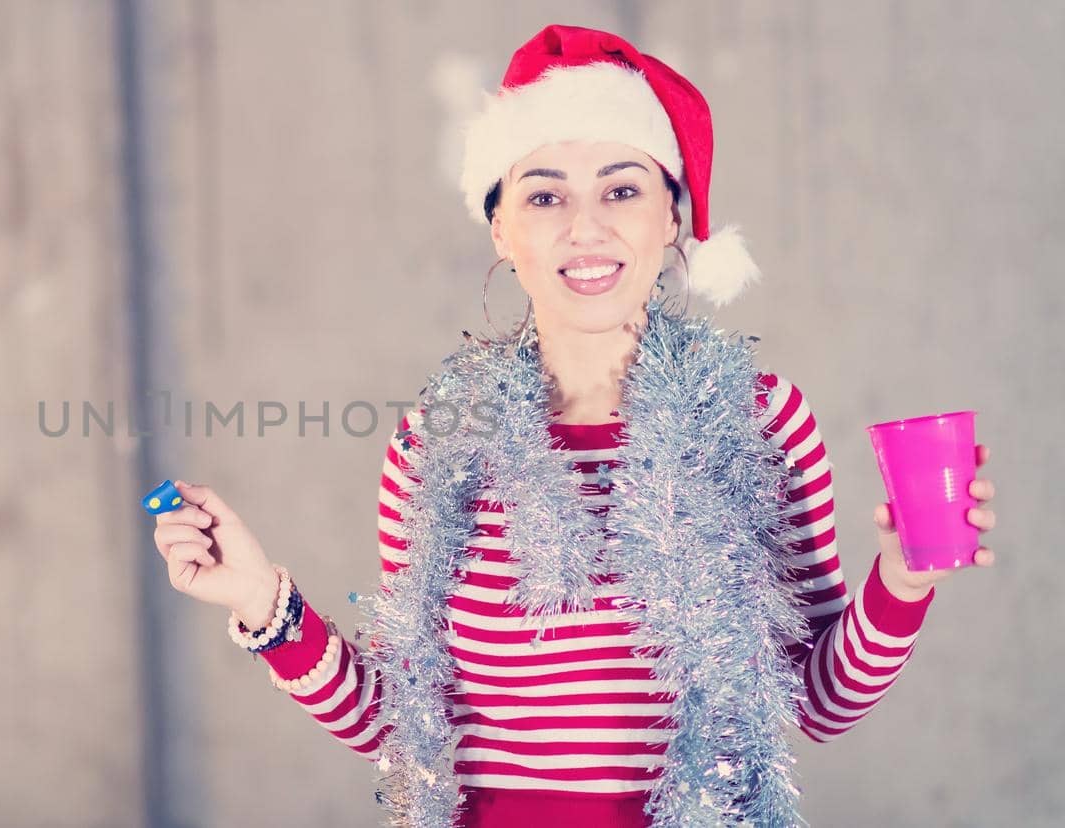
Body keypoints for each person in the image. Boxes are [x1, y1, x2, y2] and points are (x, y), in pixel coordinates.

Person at [150, 24, 999, 827]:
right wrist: (261, 601)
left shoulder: (758, 419)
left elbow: (816, 706)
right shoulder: (439, 440)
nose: (585, 227)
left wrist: (904, 577)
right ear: (501, 228)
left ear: (672, 217)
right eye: (545, 195)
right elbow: (402, 723)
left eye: (622, 190)